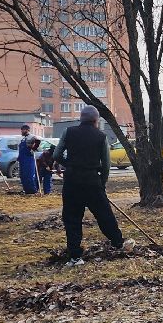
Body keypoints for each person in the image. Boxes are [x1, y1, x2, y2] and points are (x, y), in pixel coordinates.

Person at [53, 105, 133, 266]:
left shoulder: (68, 132)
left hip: (72, 181)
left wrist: (69, 165)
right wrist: (101, 183)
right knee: (104, 215)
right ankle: (118, 243)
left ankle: (75, 256)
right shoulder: (101, 137)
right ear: (96, 120)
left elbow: (56, 155)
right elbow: (106, 164)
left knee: (72, 218)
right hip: (92, 181)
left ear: (81, 118)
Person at [17, 124, 40, 194]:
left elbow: (38, 141)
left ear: (27, 130)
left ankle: (32, 190)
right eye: (21, 130)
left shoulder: (31, 136)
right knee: (23, 175)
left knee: (29, 175)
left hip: (28, 159)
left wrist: (33, 149)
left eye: (23, 130)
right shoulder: (23, 138)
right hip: (22, 159)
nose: (21, 131)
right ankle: (26, 190)